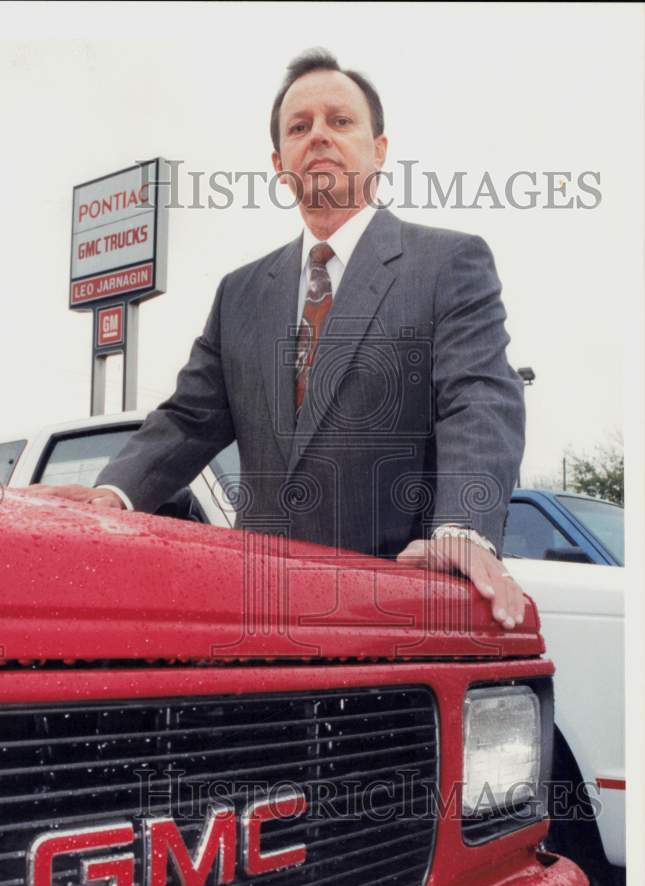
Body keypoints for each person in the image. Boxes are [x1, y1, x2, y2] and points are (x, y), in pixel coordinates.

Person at [28, 49, 526, 629]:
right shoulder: (240, 293)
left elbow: (480, 398)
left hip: (392, 612)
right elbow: (189, 419)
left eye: (340, 121)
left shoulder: (447, 263)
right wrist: (115, 493)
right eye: (299, 127)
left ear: (379, 149)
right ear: (278, 162)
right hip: (260, 616)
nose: (318, 136)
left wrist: (462, 528)